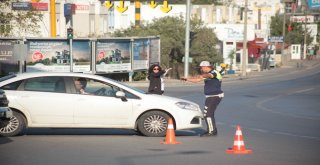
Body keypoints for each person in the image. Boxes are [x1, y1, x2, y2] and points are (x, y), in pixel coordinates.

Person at [180, 61, 224, 137]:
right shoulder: (206, 74)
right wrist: (187, 79)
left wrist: (202, 76)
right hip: (210, 96)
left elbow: (210, 75)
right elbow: (197, 80)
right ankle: (212, 130)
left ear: (205, 67)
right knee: (210, 114)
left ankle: (211, 131)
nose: (201, 69)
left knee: (207, 114)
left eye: (201, 68)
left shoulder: (214, 72)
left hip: (215, 96)